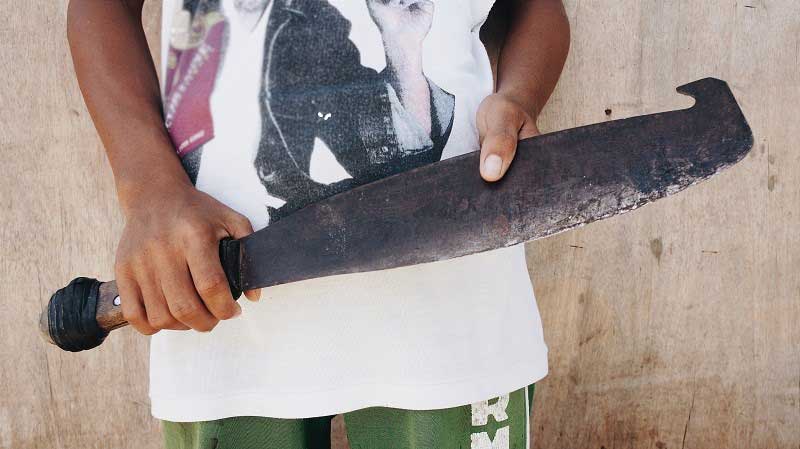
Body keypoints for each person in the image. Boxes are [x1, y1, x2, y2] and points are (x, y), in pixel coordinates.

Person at [67, 0, 569, 447]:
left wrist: (516, 96)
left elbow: (537, 8)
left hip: (451, 302)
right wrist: (150, 190)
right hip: (222, 302)